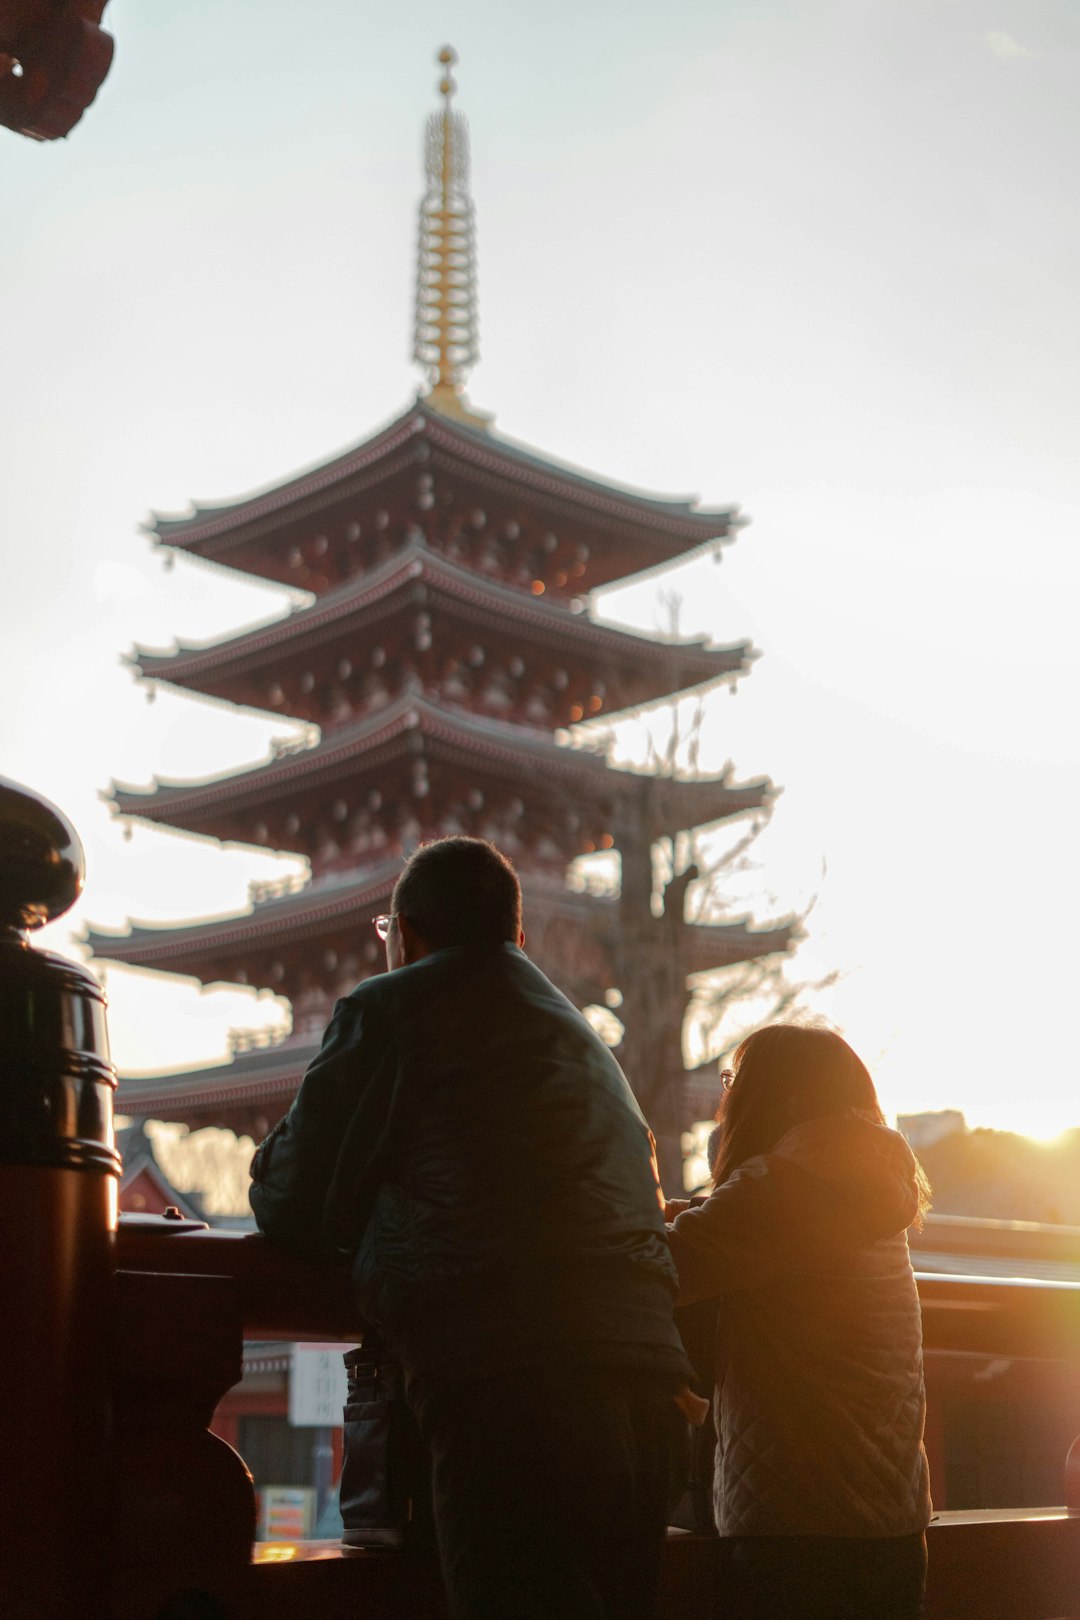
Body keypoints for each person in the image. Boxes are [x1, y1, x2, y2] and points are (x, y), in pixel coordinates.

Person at [250, 835, 693, 1620]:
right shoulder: (587, 1042)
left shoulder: (388, 1008)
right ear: (519, 940)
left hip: (509, 1379)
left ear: (407, 936)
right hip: (647, 1383)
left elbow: (287, 1197)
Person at [664, 1024, 932, 1620]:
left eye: (734, 1081)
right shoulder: (856, 1179)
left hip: (798, 1521)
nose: (724, 1097)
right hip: (890, 1518)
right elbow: (736, 1233)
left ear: (778, 1096)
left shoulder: (788, 1185)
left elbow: (664, 1266)